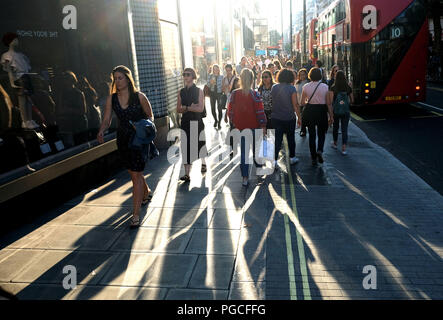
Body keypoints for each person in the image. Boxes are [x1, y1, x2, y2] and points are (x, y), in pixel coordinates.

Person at [97, 65, 154, 228]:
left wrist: (143, 126)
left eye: (120, 78)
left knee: (135, 176)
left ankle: (135, 215)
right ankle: (146, 192)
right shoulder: (112, 99)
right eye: (115, 78)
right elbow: (107, 119)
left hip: (138, 139)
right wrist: (101, 130)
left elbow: (150, 116)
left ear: (128, 79)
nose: (117, 81)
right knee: (134, 172)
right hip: (123, 140)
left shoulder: (139, 97)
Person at [227, 69, 267, 186]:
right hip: (255, 127)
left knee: (244, 154)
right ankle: (259, 174)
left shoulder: (234, 93)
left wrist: (234, 122)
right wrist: (263, 125)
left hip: (240, 128)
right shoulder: (255, 94)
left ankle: (245, 178)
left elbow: (230, 111)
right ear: (252, 79)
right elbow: (260, 112)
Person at [176, 67, 207, 183]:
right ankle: (187, 174)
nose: (186, 76)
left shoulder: (199, 91)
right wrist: (189, 108)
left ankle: (203, 162)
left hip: (197, 121)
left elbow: (200, 109)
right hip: (185, 122)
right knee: (185, 147)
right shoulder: (181, 92)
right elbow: (178, 109)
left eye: (188, 74)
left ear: (193, 76)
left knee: (200, 144)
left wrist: (187, 108)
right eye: (184, 74)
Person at [300, 67, 333, 166]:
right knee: (322, 133)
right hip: (321, 111)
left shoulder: (305, 86)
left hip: (310, 111)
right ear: (320, 75)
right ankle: (320, 150)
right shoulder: (325, 87)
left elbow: (302, 103)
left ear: (310, 75)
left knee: (312, 134)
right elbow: (328, 103)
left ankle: (313, 157)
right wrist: (331, 116)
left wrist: (309, 102)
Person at [271, 69, 302, 168]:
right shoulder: (292, 88)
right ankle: (292, 158)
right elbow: (295, 105)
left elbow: (272, 101)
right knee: (291, 138)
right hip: (289, 118)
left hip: (276, 117)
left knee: (277, 139)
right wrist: (299, 117)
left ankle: (275, 160)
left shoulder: (274, 87)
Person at [59, 71, 88, 146]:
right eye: (64, 79)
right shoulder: (63, 93)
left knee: (81, 144)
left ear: (72, 80)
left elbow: (83, 111)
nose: (65, 81)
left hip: (79, 123)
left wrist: (69, 110)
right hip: (69, 124)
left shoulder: (78, 93)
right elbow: (61, 109)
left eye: (67, 79)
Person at [328, 70, 353, 155]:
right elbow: (353, 100)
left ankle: (335, 143)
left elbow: (331, 102)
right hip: (345, 111)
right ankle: (344, 148)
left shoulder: (333, 87)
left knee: (335, 127)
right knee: (344, 129)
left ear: (336, 78)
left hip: (336, 111)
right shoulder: (348, 87)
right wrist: (345, 103)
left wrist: (330, 115)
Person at [207, 64, 224, 129]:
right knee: (212, 109)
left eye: (217, 69)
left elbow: (224, 85)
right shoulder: (210, 76)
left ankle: (219, 123)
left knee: (219, 109)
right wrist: (210, 83)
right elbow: (207, 85)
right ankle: (215, 120)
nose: (216, 70)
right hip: (212, 93)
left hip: (219, 94)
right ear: (213, 70)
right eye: (214, 69)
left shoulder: (222, 76)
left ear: (219, 69)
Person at [295, 68, 309, 137]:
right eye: (301, 75)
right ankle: (303, 130)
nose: (302, 76)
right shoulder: (297, 83)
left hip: (307, 103)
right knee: (301, 117)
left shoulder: (309, 82)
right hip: (299, 103)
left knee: (307, 117)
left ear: (306, 75)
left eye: (303, 74)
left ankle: (307, 128)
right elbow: (295, 93)